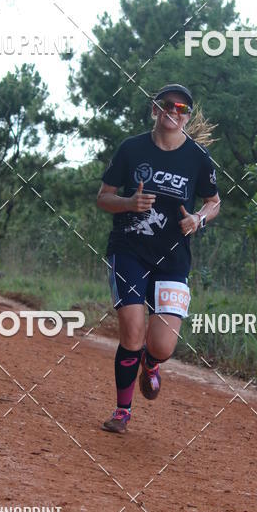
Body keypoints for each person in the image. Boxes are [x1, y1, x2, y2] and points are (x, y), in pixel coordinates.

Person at [97, 84, 220, 434]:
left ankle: (151, 364)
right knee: (133, 333)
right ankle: (122, 412)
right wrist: (127, 204)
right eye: (167, 105)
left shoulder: (197, 157)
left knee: (162, 345)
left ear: (187, 115)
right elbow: (103, 197)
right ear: (155, 109)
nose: (173, 112)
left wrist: (198, 219)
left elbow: (214, 201)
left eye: (181, 108)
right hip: (130, 250)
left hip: (173, 257)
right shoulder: (131, 149)